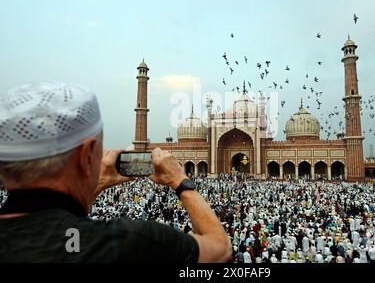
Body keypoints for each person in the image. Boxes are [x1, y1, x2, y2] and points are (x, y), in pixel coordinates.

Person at [0, 82, 232, 263]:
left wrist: (91, 187)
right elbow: (220, 250)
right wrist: (181, 181)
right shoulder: (124, 241)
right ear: (87, 155)